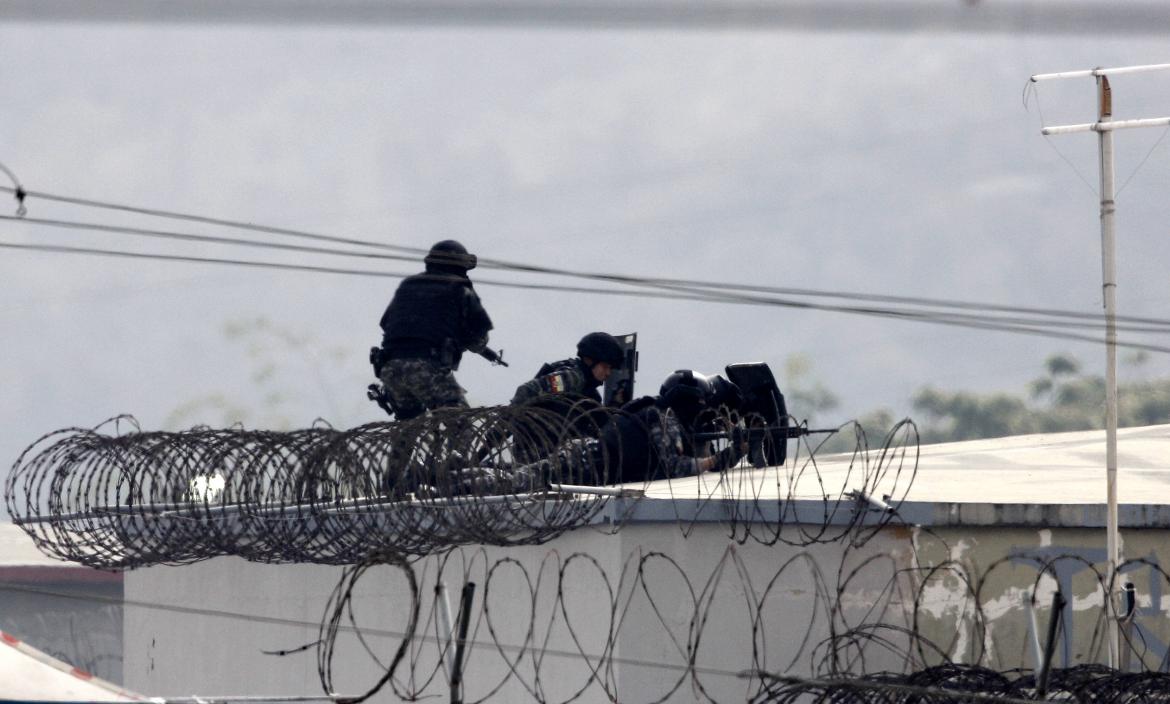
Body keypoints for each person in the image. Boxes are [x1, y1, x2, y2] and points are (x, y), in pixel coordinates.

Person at [372, 240, 499, 421]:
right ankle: (457, 449)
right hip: (426, 367)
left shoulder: (408, 285)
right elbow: (478, 338)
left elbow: (386, 324)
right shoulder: (460, 289)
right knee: (461, 426)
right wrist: (468, 344)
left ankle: (401, 449)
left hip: (389, 368)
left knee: (408, 428)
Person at [598, 370, 748, 485]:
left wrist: (738, 450)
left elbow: (707, 464)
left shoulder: (660, 412)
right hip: (598, 468)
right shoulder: (664, 418)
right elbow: (675, 468)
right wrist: (715, 459)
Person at [510, 332, 626, 407]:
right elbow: (527, 391)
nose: (608, 373)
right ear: (590, 360)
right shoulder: (570, 379)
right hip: (534, 441)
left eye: (610, 368)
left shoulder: (590, 395)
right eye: (605, 366)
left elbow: (600, 428)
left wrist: (615, 404)